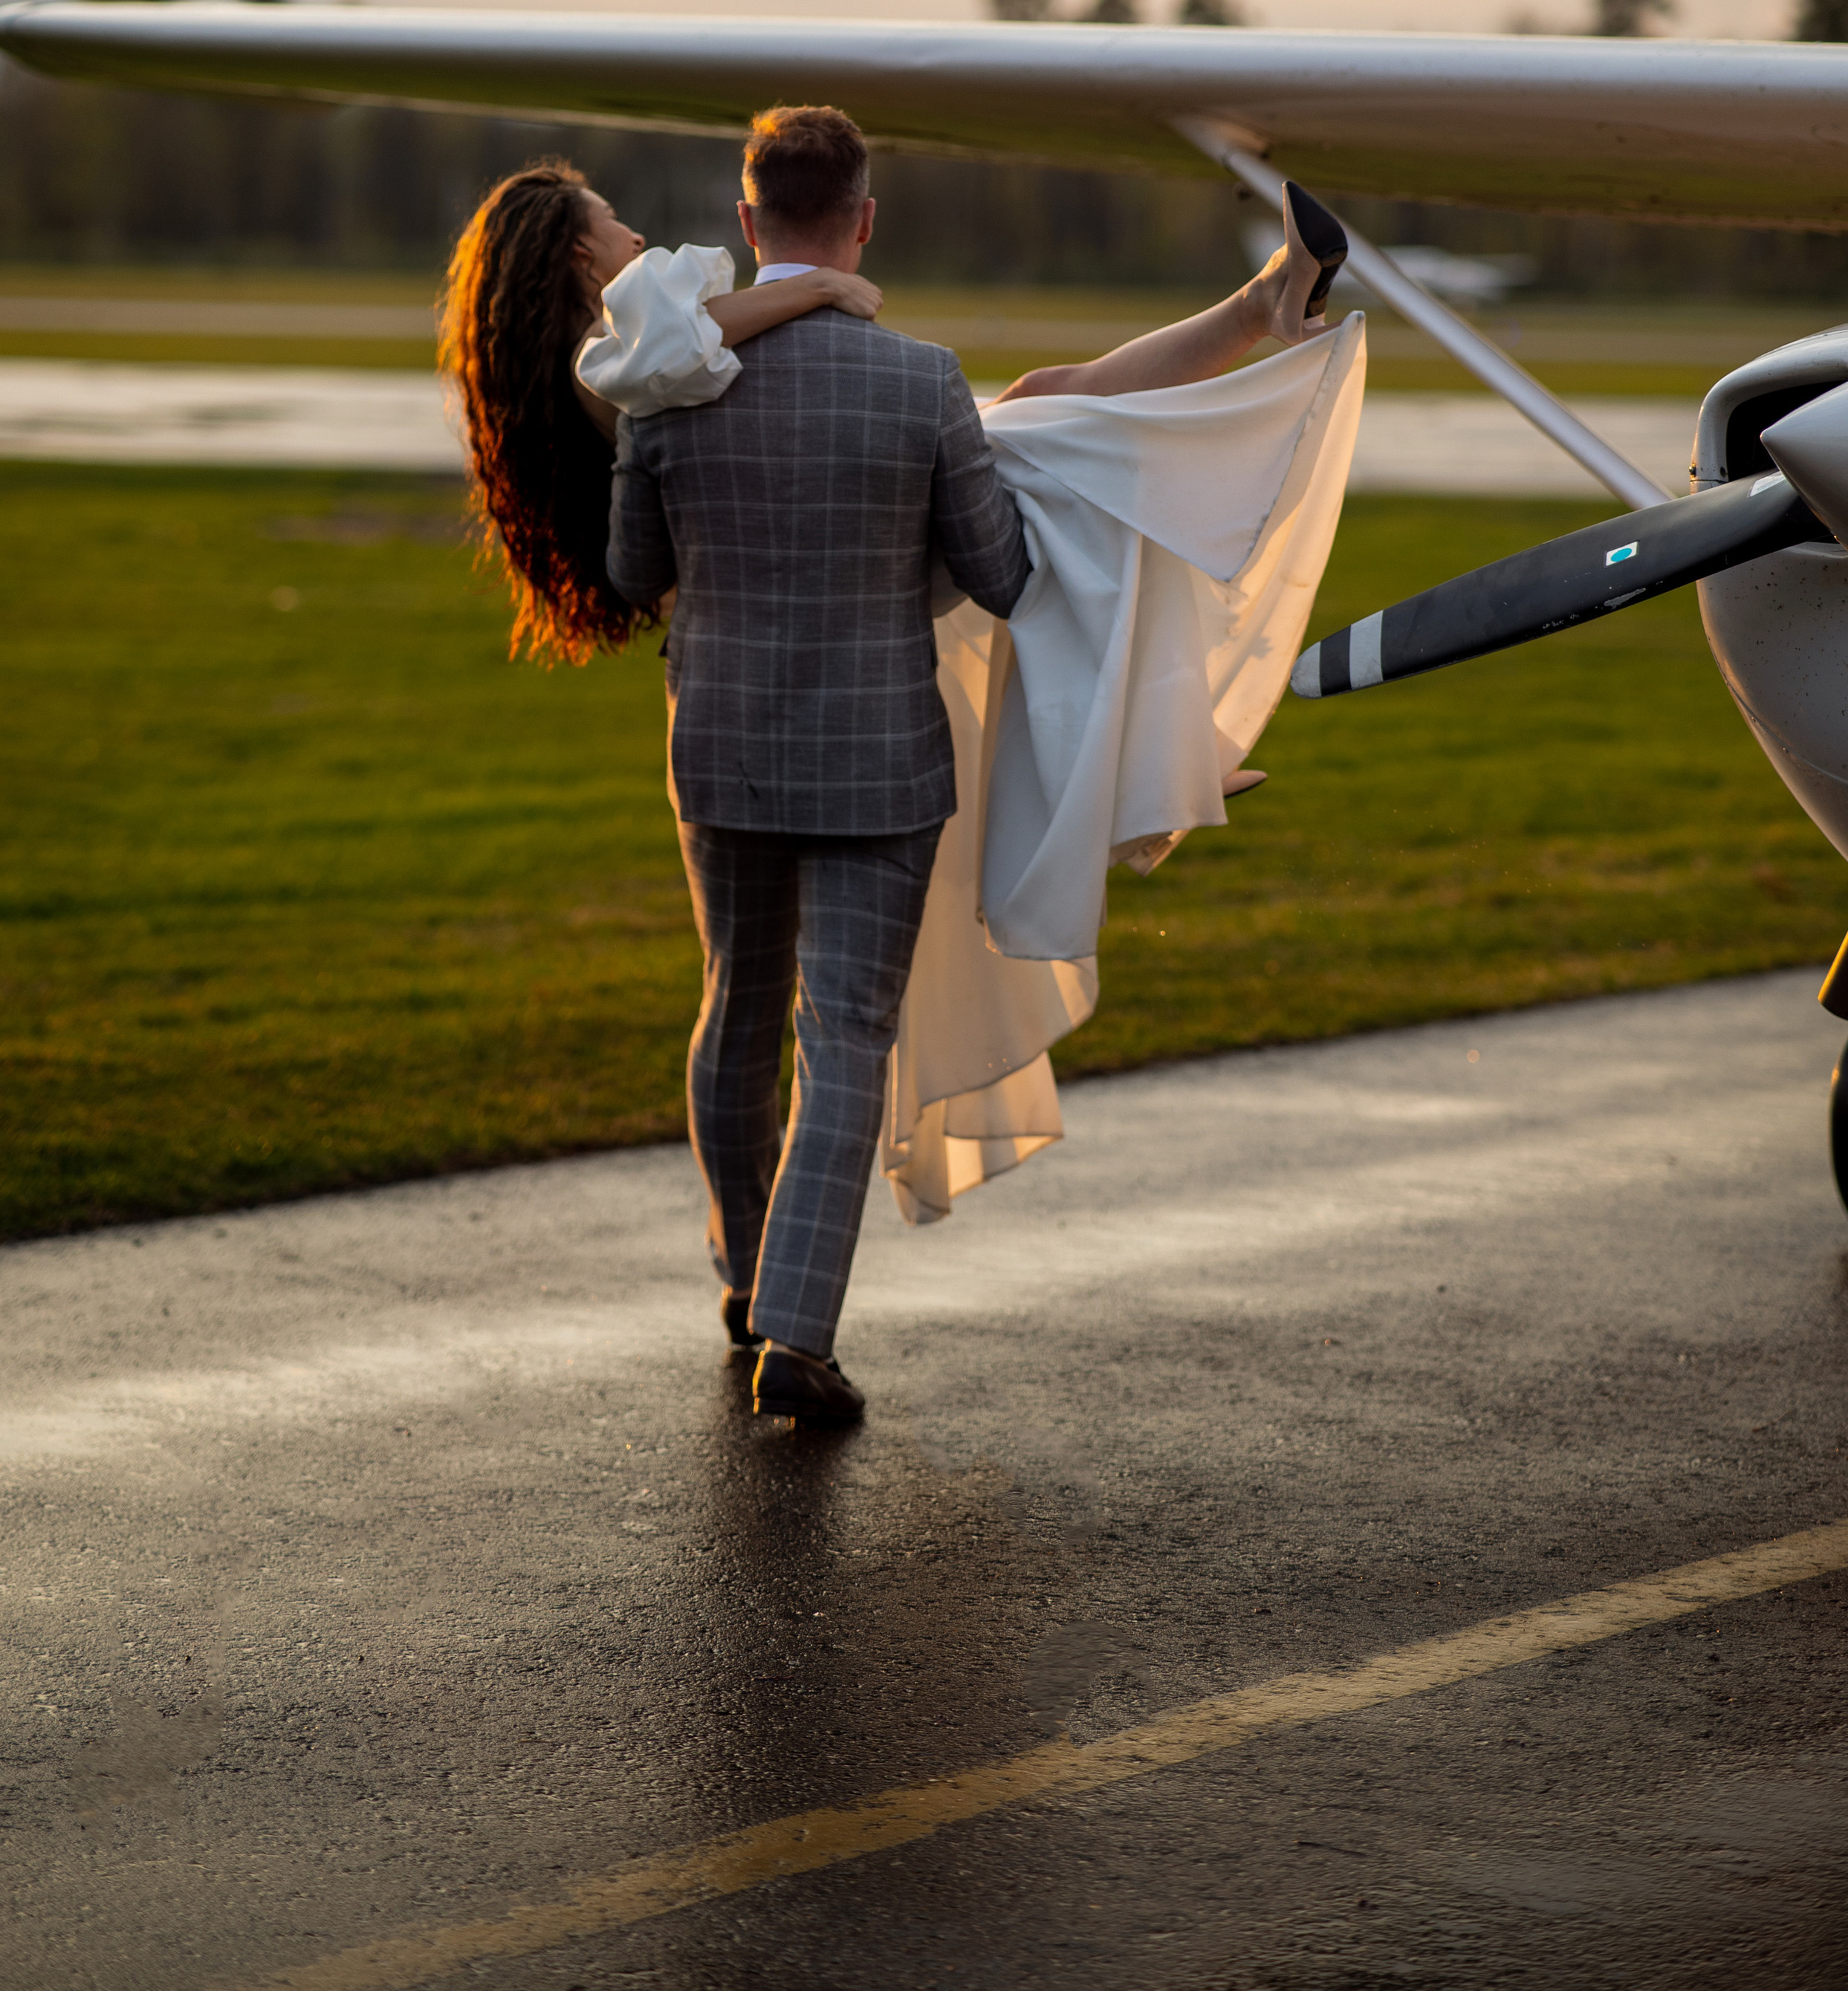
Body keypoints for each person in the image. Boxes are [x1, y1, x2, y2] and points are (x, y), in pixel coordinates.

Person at [441, 117, 1358, 1426]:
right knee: (845, 1037)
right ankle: (798, 1339)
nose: (647, 243)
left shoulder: (652, 383)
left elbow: (639, 576)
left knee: (736, 1011)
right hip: (877, 751)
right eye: (621, 235)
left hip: (724, 747)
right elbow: (1001, 577)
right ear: (863, 219)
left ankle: (748, 1284)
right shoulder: (884, 373)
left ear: (752, 221)